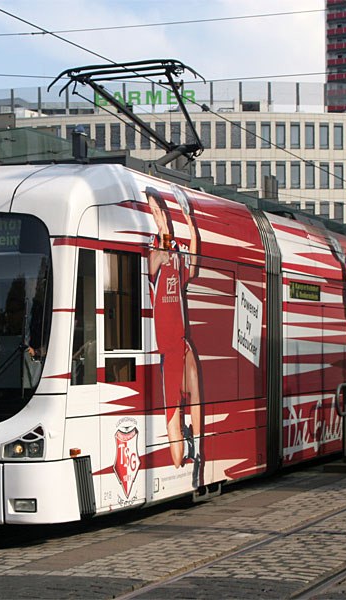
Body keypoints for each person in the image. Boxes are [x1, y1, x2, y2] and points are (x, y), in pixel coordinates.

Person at [146, 185, 204, 488]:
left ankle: (197, 442)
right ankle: (184, 458)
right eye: (153, 211)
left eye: (159, 210)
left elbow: (191, 264)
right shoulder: (155, 249)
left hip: (181, 339)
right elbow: (154, 263)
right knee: (174, 418)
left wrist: (189, 223)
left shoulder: (176, 252)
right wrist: (166, 232)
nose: (157, 216)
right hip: (165, 346)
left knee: (195, 385)